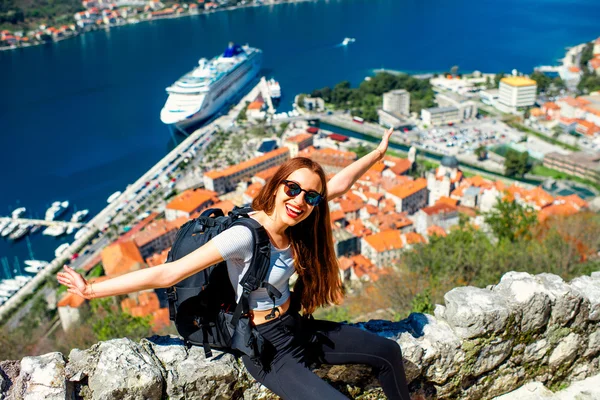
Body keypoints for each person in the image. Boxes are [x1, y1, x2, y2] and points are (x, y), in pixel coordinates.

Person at [57, 127, 411, 400]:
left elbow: (341, 184)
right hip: (266, 348)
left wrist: (377, 154)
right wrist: (91, 289)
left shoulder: (299, 219)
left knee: (388, 351)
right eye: (293, 189)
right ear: (276, 187)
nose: (300, 200)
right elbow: (170, 273)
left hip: (296, 328)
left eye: (310, 196)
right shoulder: (245, 235)